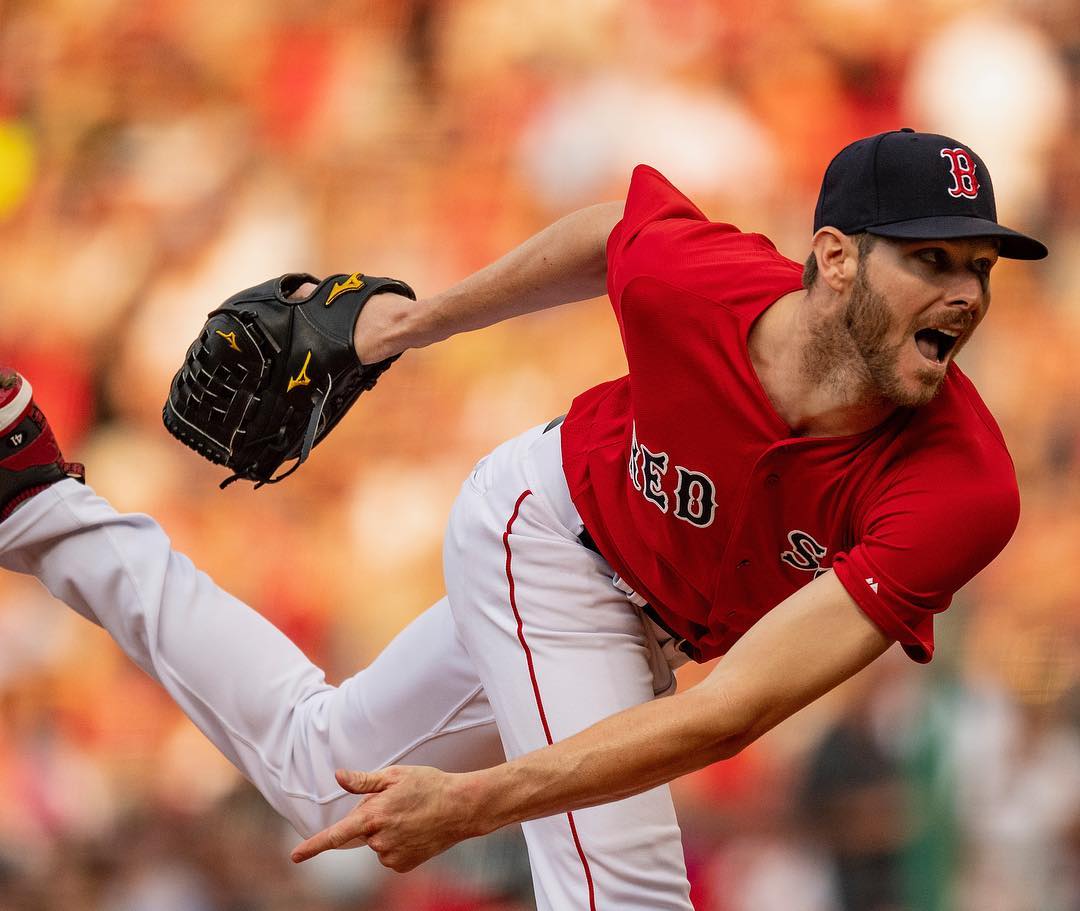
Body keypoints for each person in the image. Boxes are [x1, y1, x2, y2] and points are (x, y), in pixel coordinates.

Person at [0, 129, 1047, 910]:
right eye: (933, 259)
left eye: (979, 269)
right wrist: (405, 327)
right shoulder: (711, 289)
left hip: (656, 628)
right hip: (549, 534)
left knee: (328, 780)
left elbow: (732, 712)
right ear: (834, 257)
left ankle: (40, 502)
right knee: (625, 896)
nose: (966, 293)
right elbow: (610, 237)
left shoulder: (961, 487)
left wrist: (480, 800)